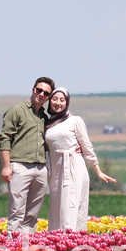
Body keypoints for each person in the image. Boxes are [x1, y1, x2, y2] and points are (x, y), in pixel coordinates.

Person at [44, 87, 116, 231]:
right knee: (57, 207)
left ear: (67, 102)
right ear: (50, 100)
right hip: (56, 170)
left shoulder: (75, 121)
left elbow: (86, 146)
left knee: (70, 206)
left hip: (73, 168)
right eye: (55, 99)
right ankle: (56, 241)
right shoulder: (47, 124)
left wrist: (97, 170)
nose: (58, 103)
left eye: (62, 100)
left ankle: (71, 241)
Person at [0, 76, 54, 233]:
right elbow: (5, 138)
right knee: (17, 211)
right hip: (20, 166)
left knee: (32, 214)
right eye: (39, 90)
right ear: (33, 90)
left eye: (46, 93)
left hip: (41, 168)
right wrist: (6, 166)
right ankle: (12, 247)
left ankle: (27, 247)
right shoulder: (17, 110)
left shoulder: (44, 117)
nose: (41, 94)